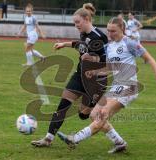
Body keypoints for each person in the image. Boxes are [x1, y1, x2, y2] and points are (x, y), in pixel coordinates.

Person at [57, 17, 156, 153]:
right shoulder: (109, 46)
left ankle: (74, 139)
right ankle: (119, 142)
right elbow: (110, 67)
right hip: (117, 86)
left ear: (122, 29)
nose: (110, 34)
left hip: (129, 86)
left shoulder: (130, 43)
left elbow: (150, 59)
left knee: (103, 113)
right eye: (108, 31)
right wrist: (94, 71)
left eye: (113, 31)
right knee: (94, 114)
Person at [31, 3, 123, 148]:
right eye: (74, 23)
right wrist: (64, 44)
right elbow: (80, 43)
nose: (75, 25)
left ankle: (117, 140)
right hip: (79, 76)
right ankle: (48, 139)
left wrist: (93, 59)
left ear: (86, 19)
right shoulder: (84, 33)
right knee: (63, 105)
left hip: (96, 81)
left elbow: (106, 61)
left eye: (77, 22)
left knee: (86, 114)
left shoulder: (100, 37)